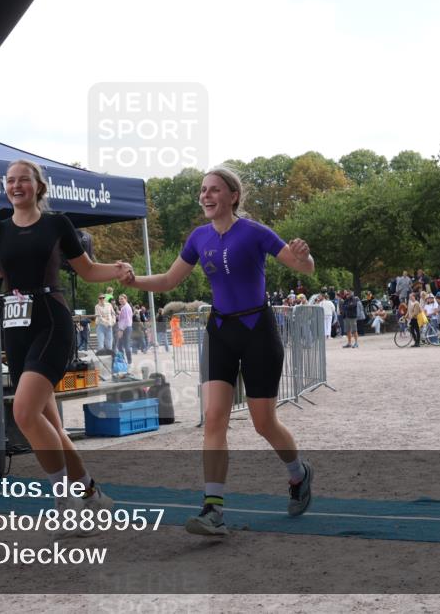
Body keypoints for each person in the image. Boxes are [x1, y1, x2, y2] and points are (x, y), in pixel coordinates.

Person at [0, 158, 131, 533]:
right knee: (53, 430)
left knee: (24, 414)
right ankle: (93, 496)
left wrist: (119, 268)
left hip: (51, 321)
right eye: (10, 181)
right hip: (15, 328)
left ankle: (67, 503)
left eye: (23, 180)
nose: (16, 186)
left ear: (37, 186)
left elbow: (88, 269)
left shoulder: (57, 224)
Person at [126, 165, 315, 536]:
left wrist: (304, 255)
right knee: (214, 417)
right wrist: (134, 281)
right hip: (220, 331)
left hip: (258, 331)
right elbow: (168, 280)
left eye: (214, 190)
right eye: (202, 191)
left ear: (233, 196)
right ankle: (213, 509)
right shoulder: (198, 238)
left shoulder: (255, 232)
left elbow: (303, 268)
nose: (206, 196)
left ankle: (299, 472)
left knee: (264, 422)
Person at [115, 294, 133, 365]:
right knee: (120, 345)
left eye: (122, 299)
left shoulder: (126, 307)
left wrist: (121, 330)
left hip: (125, 328)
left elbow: (127, 320)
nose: (120, 300)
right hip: (125, 328)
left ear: (126, 299)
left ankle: (128, 362)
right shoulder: (125, 307)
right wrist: (118, 315)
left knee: (125, 346)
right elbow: (124, 318)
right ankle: (125, 361)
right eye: (119, 299)